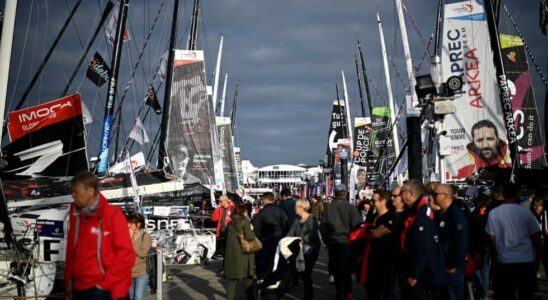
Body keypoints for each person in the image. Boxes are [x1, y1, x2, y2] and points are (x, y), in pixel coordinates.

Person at [64, 171, 135, 300]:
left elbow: (126, 254)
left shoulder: (113, 215)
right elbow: (71, 249)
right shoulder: (76, 215)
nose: (73, 196)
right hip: (79, 287)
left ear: (90, 191)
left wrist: (105, 284)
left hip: (103, 289)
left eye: (76, 192)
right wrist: (68, 281)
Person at [486, 183, 542, 299]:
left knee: (506, 295)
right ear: (517, 194)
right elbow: (536, 236)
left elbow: (491, 238)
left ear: (504, 194)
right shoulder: (525, 212)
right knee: (525, 295)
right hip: (525, 261)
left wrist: (497, 252)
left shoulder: (494, 213)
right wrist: (540, 253)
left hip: (504, 261)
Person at [400, 180, 447, 300]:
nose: (400, 195)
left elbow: (423, 247)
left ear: (410, 194)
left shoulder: (422, 214)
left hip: (424, 275)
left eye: (402, 192)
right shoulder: (413, 212)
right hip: (416, 271)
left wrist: (414, 273)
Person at [320, 184, 361, 300]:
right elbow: (357, 226)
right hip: (347, 243)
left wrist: (327, 241)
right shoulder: (351, 207)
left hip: (333, 242)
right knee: (346, 269)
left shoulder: (328, 207)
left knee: (337, 269)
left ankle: (339, 292)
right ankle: (348, 292)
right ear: (345, 193)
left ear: (335, 193)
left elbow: (322, 227)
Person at [432, 184, 469, 300]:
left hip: (452, 267)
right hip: (442, 265)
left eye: (435, 194)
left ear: (446, 196)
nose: (433, 197)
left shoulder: (456, 215)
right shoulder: (441, 214)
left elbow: (461, 242)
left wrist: (452, 265)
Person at [287, 199, 321, 300]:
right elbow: (291, 232)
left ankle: (308, 296)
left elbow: (313, 234)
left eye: (296, 206)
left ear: (302, 207)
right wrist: (285, 240)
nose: (294, 208)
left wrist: (302, 239)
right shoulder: (296, 219)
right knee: (299, 271)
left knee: (306, 274)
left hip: (310, 250)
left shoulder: (312, 218)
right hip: (299, 250)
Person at [366, 190, 397, 300]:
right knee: (371, 291)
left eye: (374, 201)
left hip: (386, 260)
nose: (371, 203)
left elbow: (376, 234)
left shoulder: (390, 216)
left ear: (383, 201)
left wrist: (367, 231)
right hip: (371, 260)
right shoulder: (373, 215)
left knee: (387, 291)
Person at [224, 202, 256, 300]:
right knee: (248, 280)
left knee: (232, 282)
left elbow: (225, 240)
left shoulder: (230, 224)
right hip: (244, 255)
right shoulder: (245, 222)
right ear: (243, 212)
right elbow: (250, 237)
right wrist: (252, 229)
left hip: (231, 256)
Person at [252, 192, 288, 279]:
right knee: (278, 261)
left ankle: (265, 280)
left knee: (266, 262)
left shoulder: (261, 212)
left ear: (265, 199)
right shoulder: (280, 211)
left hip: (266, 239)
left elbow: (256, 227)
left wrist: (260, 236)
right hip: (279, 239)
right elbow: (286, 225)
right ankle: (278, 280)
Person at [127, 213, 152, 300]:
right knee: (130, 297)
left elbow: (143, 253)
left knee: (138, 296)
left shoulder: (146, 236)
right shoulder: (126, 235)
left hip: (141, 271)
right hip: (129, 272)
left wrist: (130, 241)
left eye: (131, 223)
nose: (128, 225)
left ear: (138, 224)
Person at [531, 198, 548, 279]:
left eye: (539, 206)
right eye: (535, 206)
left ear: (542, 207)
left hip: (545, 243)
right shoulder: (530, 216)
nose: (537, 208)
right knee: (533, 263)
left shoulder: (545, 215)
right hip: (533, 243)